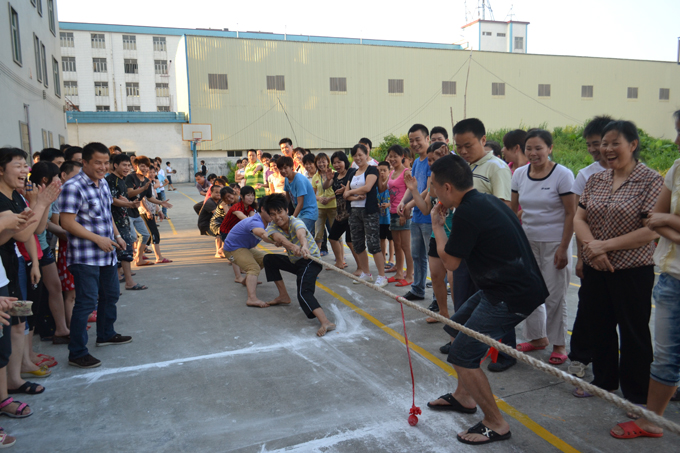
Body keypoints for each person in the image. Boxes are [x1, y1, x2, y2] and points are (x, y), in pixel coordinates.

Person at [425, 154, 549, 446]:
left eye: (431, 185)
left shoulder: (468, 212)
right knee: (456, 330)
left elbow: (451, 264)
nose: (429, 190)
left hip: (510, 295)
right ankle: (463, 396)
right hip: (500, 287)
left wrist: (437, 227)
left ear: (446, 188)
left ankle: (496, 422)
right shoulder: (482, 200)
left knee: (463, 355)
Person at [573, 120, 662, 407]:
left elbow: (651, 229)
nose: (606, 150)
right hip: (595, 269)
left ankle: (638, 395)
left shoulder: (650, 180)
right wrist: (593, 250)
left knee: (634, 332)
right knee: (599, 326)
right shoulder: (596, 179)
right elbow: (579, 218)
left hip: (632, 271)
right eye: (603, 144)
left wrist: (605, 246)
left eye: (614, 143)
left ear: (633, 145)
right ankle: (604, 382)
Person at [610, 110, 680, 440]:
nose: (676, 140)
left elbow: (659, 222)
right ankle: (652, 421)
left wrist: (670, 224)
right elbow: (654, 218)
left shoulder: (650, 176)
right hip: (672, 276)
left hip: (646, 267)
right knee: (665, 357)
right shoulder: (677, 169)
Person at [58, 142, 132, 369]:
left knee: (111, 295)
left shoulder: (102, 185)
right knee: (86, 302)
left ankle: (106, 334)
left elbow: (106, 214)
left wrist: (117, 235)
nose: (102, 167)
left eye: (105, 162)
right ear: (85, 162)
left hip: (107, 253)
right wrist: (97, 239)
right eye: (97, 163)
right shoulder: (73, 186)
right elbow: (66, 222)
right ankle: (77, 352)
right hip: (85, 256)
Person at [511, 129, 575, 365]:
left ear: (550, 149)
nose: (533, 153)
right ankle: (537, 338)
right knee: (530, 291)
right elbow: (513, 210)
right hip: (528, 242)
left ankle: (559, 344)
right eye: (529, 148)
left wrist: (564, 247)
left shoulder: (563, 175)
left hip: (555, 243)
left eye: (539, 148)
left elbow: (571, 213)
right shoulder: (519, 174)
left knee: (554, 295)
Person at [568, 115, 612, 379]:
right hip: (593, 256)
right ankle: (580, 358)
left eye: (599, 143)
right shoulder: (586, 175)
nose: (596, 150)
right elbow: (577, 219)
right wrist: (581, 257)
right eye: (591, 145)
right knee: (588, 309)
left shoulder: (640, 174)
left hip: (626, 259)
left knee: (624, 318)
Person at [260, 194, 336, 337]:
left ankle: (326, 322)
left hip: (311, 261)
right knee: (269, 259)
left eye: (280, 212)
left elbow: (302, 234)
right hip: (295, 260)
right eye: (273, 214)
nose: (277, 217)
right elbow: (279, 239)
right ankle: (283, 296)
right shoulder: (272, 227)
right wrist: (291, 246)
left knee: (303, 292)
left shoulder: (296, 222)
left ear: (286, 211)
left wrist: (304, 246)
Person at [344, 144, 387, 287]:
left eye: (360, 155)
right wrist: (354, 196)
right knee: (358, 243)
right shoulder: (352, 172)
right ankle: (366, 273)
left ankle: (381, 276)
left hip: (369, 212)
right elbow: (345, 194)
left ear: (366, 154)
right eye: (355, 155)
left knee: (373, 244)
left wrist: (350, 192)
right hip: (354, 212)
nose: (357, 158)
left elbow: (368, 188)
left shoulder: (372, 170)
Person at [397, 124, 431, 301]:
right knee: (416, 255)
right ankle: (418, 289)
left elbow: (428, 190)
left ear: (427, 139)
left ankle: (437, 300)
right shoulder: (416, 162)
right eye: (411, 140)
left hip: (429, 217)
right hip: (417, 217)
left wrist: (409, 205)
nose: (415, 143)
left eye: (418, 139)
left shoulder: (432, 161)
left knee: (433, 259)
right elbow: (412, 187)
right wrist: (403, 201)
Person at [105, 154, 145, 291]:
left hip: (123, 219)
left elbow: (121, 199)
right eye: (124, 165)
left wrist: (129, 203)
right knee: (124, 251)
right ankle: (129, 282)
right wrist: (128, 205)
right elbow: (112, 199)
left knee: (124, 251)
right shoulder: (110, 180)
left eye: (129, 165)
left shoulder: (122, 180)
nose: (127, 168)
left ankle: (119, 282)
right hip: (115, 221)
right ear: (115, 165)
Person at [222, 206, 274, 307]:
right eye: (271, 213)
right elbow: (263, 234)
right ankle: (252, 299)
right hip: (232, 249)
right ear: (263, 209)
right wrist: (278, 242)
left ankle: (247, 281)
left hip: (245, 247)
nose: (274, 216)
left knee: (266, 260)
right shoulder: (255, 221)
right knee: (253, 268)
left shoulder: (270, 221)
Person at [325, 151, 361, 273]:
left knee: (351, 241)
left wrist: (345, 189)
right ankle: (339, 262)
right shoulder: (335, 176)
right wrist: (328, 178)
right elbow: (326, 186)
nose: (336, 165)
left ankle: (361, 267)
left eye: (339, 162)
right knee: (333, 238)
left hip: (351, 212)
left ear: (345, 162)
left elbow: (356, 186)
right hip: (340, 213)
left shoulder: (352, 172)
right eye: (334, 163)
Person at [385, 145, 414, 286]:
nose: (392, 158)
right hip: (392, 212)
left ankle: (409, 275)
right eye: (390, 156)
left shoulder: (406, 172)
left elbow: (411, 192)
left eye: (395, 156)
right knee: (397, 245)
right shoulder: (391, 173)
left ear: (402, 156)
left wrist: (404, 213)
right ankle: (398, 273)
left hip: (403, 213)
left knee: (405, 246)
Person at [278, 156, 318, 236]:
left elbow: (300, 204)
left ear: (291, 167)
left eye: (285, 168)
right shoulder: (287, 179)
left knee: (298, 234)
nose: (283, 171)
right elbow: (287, 199)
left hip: (309, 213)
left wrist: (292, 219)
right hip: (301, 213)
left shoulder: (299, 180)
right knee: (301, 237)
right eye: (280, 168)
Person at [139, 166, 172, 264]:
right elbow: (140, 199)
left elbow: (153, 199)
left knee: (147, 235)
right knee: (154, 234)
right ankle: (159, 257)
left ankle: (139, 255)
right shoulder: (144, 183)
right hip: (145, 212)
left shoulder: (151, 184)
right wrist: (147, 211)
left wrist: (159, 210)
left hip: (152, 211)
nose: (152, 174)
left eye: (154, 172)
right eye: (150, 172)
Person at [311, 153, 336, 255]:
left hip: (333, 206)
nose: (321, 164)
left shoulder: (334, 173)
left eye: (323, 161)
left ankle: (340, 258)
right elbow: (312, 194)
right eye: (319, 162)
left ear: (327, 162)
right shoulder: (315, 176)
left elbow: (340, 191)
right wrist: (319, 198)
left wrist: (330, 198)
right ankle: (317, 256)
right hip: (320, 207)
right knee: (318, 233)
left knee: (335, 233)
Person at [376, 161, 394, 277]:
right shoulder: (376, 185)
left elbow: (395, 199)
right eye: (379, 170)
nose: (382, 173)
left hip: (389, 217)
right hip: (379, 218)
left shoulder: (391, 184)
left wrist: (388, 204)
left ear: (389, 171)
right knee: (381, 238)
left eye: (384, 170)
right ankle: (382, 259)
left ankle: (391, 259)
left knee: (391, 239)